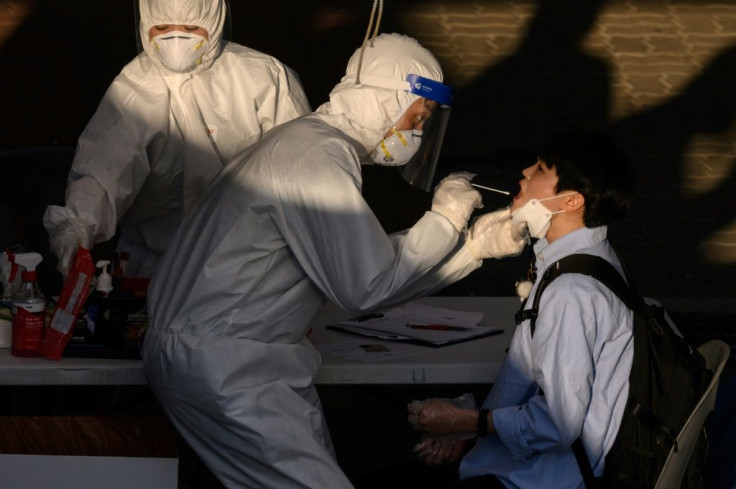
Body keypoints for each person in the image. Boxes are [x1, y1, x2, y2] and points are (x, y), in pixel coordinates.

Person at [142, 33, 528, 489]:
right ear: (385, 100)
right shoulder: (317, 157)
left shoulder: (309, 145)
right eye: (418, 115)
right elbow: (365, 288)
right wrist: (445, 219)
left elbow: (365, 268)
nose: (417, 132)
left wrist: (470, 251)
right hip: (227, 365)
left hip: (237, 357)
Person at [407, 128, 636, 489]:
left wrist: (465, 422)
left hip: (536, 481)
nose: (526, 173)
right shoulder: (589, 257)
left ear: (570, 201)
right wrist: (474, 428)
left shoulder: (570, 292)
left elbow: (558, 424)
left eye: (542, 169)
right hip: (526, 466)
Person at [43, 0, 310, 278]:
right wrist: (78, 221)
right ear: (145, 24)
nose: (176, 38)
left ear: (214, 22)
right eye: (161, 27)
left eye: (191, 27)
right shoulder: (134, 86)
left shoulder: (262, 76)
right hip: (156, 266)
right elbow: (106, 165)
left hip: (250, 266)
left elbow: (300, 168)